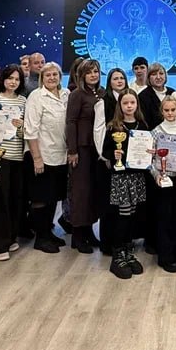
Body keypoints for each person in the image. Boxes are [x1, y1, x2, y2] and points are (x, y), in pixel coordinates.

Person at [24, 61, 70, 253]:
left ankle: (48, 232)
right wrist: (37, 158)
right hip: (42, 155)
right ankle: (40, 237)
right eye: (47, 75)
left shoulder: (66, 94)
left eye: (55, 74)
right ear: (42, 78)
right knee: (41, 197)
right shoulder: (36, 96)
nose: (52, 78)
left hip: (61, 155)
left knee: (54, 197)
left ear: (60, 76)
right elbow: (30, 130)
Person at [102, 89, 148, 279]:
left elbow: (146, 148)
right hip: (121, 177)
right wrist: (114, 155)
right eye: (125, 103)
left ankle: (128, 251)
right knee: (123, 214)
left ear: (137, 104)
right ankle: (118, 253)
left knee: (132, 214)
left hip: (137, 176)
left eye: (132, 103)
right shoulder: (114, 127)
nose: (129, 106)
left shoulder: (142, 125)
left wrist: (150, 153)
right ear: (119, 106)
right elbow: (105, 152)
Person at [0, 65, 27, 261]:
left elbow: (25, 133)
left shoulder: (23, 101)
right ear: (3, 79)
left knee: (15, 200)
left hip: (18, 157)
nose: (13, 82)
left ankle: (10, 238)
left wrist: (21, 127)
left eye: (17, 79)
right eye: (10, 78)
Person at [65, 59, 105, 253]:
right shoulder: (77, 94)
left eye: (95, 71)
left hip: (96, 150)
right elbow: (70, 122)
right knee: (80, 192)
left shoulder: (101, 93)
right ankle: (78, 236)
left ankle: (89, 231)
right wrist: (72, 150)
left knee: (92, 192)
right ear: (81, 75)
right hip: (81, 149)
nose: (93, 75)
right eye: (89, 72)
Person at [150, 95, 176, 272]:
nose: (170, 113)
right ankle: (165, 257)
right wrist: (156, 174)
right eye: (167, 110)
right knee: (164, 218)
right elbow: (150, 158)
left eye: (173, 110)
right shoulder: (156, 132)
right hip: (163, 180)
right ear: (162, 111)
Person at [137, 62, 175, 128]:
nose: (158, 77)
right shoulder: (142, 96)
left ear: (165, 76)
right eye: (154, 74)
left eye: (161, 73)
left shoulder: (172, 93)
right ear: (148, 77)